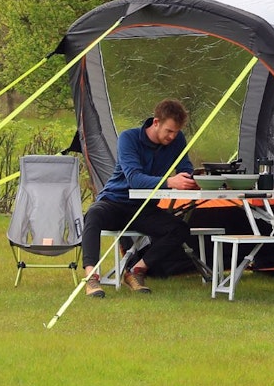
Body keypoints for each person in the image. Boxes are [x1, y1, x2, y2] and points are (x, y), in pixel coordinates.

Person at [81, 98, 199, 297]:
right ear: (156, 122)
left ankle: (136, 271)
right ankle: (92, 277)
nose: (172, 136)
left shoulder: (177, 140)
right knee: (93, 214)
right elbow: (134, 179)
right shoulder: (128, 138)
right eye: (169, 131)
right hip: (115, 202)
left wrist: (192, 179)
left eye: (176, 132)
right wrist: (170, 182)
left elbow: (185, 167)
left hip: (144, 208)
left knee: (179, 229)